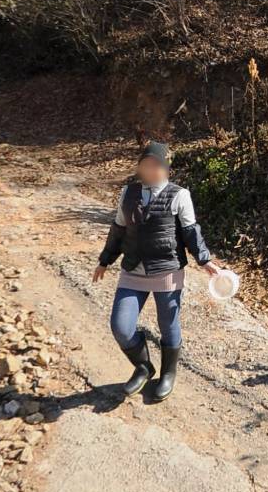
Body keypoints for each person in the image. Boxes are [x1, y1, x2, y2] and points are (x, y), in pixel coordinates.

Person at [93, 141, 221, 400]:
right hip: (133, 270)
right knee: (121, 326)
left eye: (156, 165)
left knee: (168, 325)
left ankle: (168, 374)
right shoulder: (128, 193)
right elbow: (118, 230)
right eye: (146, 165)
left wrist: (204, 260)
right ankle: (143, 366)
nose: (150, 170)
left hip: (167, 272)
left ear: (166, 169)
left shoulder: (179, 195)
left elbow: (190, 232)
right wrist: (105, 260)